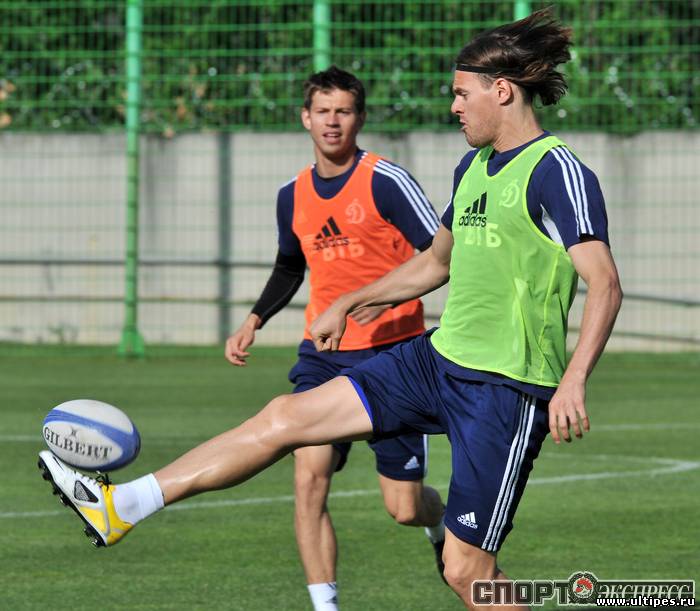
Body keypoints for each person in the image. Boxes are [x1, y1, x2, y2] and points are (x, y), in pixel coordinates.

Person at [38, 10, 622, 610]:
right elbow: (435, 263)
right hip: (435, 361)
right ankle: (121, 507)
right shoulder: (471, 168)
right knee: (285, 417)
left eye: (460, 93)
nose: (453, 107)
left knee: (465, 570)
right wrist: (349, 300)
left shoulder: (556, 170)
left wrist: (574, 379)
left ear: (501, 91)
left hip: (505, 388)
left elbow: (604, 283)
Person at [223, 66, 446, 609]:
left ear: (359, 118)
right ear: (305, 118)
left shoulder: (386, 181)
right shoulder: (291, 195)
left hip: (395, 358)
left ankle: (438, 522)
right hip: (324, 356)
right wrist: (254, 319)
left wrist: (381, 300)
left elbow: (440, 253)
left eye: (343, 111)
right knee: (308, 478)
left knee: (404, 508)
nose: (332, 121)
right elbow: (289, 265)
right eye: (322, 111)